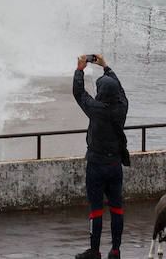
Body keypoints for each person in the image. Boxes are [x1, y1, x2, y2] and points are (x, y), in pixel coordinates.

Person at [72, 53, 129, 259]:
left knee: (96, 209)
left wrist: (80, 69)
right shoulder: (122, 107)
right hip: (115, 164)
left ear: (101, 91)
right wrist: (106, 66)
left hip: (96, 164)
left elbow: (79, 93)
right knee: (117, 208)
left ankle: (95, 251)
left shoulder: (95, 109)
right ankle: (115, 250)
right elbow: (120, 89)